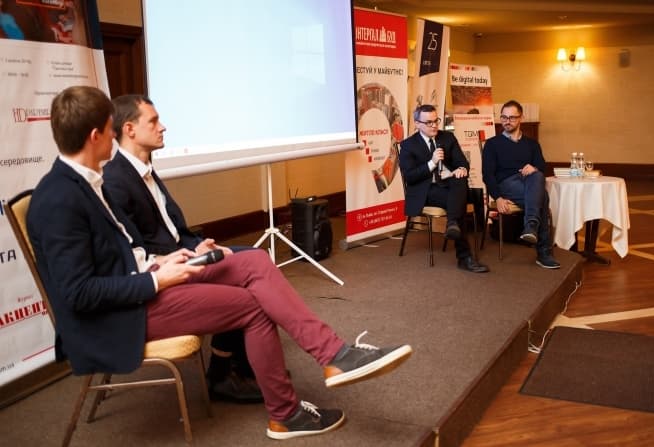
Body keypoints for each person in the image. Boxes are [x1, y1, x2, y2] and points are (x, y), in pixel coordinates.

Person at [27, 86, 413, 439]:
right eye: (111, 131)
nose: (115, 137)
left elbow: (121, 251)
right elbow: (79, 294)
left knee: (255, 262)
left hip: (142, 282)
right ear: (96, 136)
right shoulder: (59, 199)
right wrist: (157, 279)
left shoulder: (85, 182)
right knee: (254, 307)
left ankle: (335, 355)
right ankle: (286, 413)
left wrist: (163, 260)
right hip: (118, 316)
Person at [103, 94, 260, 403]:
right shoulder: (115, 181)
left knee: (255, 258)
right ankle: (222, 372)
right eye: (154, 121)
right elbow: (136, 252)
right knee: (246, 282)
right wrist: (186, 256)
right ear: (129, 129)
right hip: (163, 271)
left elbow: (174, 231)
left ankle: (241, 365)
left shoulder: (144, 169)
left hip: (183, 254)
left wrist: (197, 245)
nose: (163, 127)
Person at [399, 104, 489, 273]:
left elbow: (462, 162)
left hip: (449, 186)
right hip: (426, 191)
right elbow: (410, 176)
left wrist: (461, 169)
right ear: (417, 124)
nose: (434, 126)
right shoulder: (408, 145)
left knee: (459, 180)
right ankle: (464, 257)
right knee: (458, 200)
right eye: (429, 122)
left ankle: (452, 223)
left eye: (436, 121)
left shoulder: (447, 138)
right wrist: (432, 162)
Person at [481, 100, 560, 269]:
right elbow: (487, 175)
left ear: (521, 118)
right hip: (506, 184)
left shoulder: (532, 144)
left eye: (512, 117)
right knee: (543, 197)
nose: (507, 121)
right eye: (504, 117)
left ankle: (531, 227)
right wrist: (498, 197)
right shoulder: (492, 144)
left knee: (537, 177)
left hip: (528, 183)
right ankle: (542, 250)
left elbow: (542, 167)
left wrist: (534, 167)